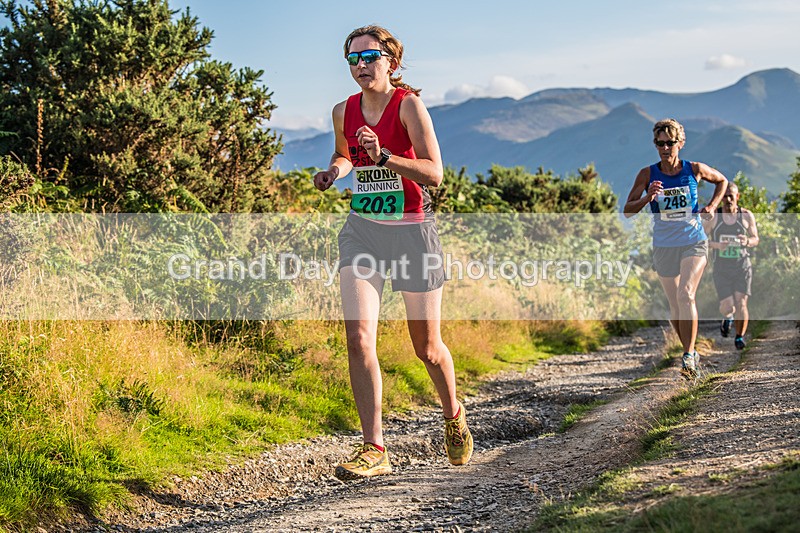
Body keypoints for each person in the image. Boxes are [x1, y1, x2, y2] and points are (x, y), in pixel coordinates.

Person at [313, 25, 472, 479]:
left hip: (411, 233)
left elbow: (434, 173)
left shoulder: (409, 107)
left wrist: (383, 157)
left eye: (370, 57)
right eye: (353, 59)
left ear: (392, 63)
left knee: (427, 348)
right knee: (360, 337)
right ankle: (374, 447)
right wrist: (334, 172)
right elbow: (344, 156)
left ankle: (454, 415)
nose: (361, 66)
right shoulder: (343, 110)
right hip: (362, 231)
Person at [624, 118, 727, 377]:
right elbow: (627, 211)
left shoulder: (694, 169)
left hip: (694, 240)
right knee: (674, 307)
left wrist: (712, 206)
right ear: (655, 144)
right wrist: (648, 197)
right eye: (660, 143)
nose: (665, 148)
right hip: (664, 245)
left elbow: (722, 181)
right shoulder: (647, 174)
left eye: (670, 143)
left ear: (680, 143)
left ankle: (688, 356)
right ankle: (689, 350)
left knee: (686, 295)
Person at [702, 182, 759, 349]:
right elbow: (701, 240)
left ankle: (740, 337)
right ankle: (728, 317)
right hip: (721, 268)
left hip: (742, 265)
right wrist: (717, 245)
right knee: (728, 306)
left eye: (731, 196)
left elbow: (756, 239)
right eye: (725, 196)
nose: (727, 200)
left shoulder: (746, 216)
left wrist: (747, 241)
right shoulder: (714, 217)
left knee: (741, 303)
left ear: (737, 197)